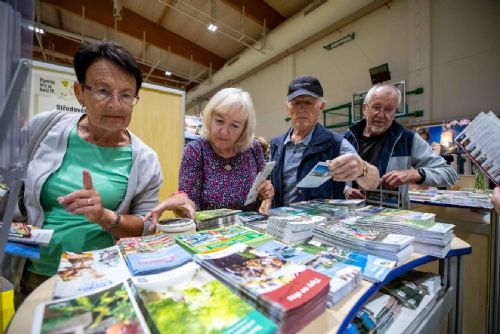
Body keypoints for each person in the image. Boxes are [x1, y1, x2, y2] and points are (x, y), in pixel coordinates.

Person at [9, 41, 193, 305]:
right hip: (35, 275)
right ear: (79, 92)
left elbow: (146, 227)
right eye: (103, 91)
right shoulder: (43, 129)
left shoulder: (145, 159)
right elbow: (10, 189)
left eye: (126, 95)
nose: (115, 104)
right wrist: (17, 241)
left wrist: (103, 215)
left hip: (102, 276)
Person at [146, 88, 274, 225]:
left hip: (251, 231)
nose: (224, 131)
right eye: (219, 121)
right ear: (209, 118)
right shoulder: (196, 150)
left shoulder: (253, 148)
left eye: (235, 126)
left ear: (244, 129)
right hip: (211, 234)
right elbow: (189, 206)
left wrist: (267, 193)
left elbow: (263, 188)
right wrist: (182, 203)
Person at [270, 76, 379, 207]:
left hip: (321, 225)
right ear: (287, 107)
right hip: (281, 223)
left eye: (309, 102)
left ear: (321, 106)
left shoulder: (337, 144)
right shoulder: (276, 145)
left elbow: (373, 183)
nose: (301, 108)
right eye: (296, 102)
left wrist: (363, 169)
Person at [344, 83, 458, 207]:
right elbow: (331, 176)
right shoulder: (348, 138)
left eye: (388, 109)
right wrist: (345, 190)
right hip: (352, 216)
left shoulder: (407, 138)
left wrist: (413, 174)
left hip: (391, 221)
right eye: (376, 107)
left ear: (395, 113)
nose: (381, 115)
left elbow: (449, 174)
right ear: (365, 108)